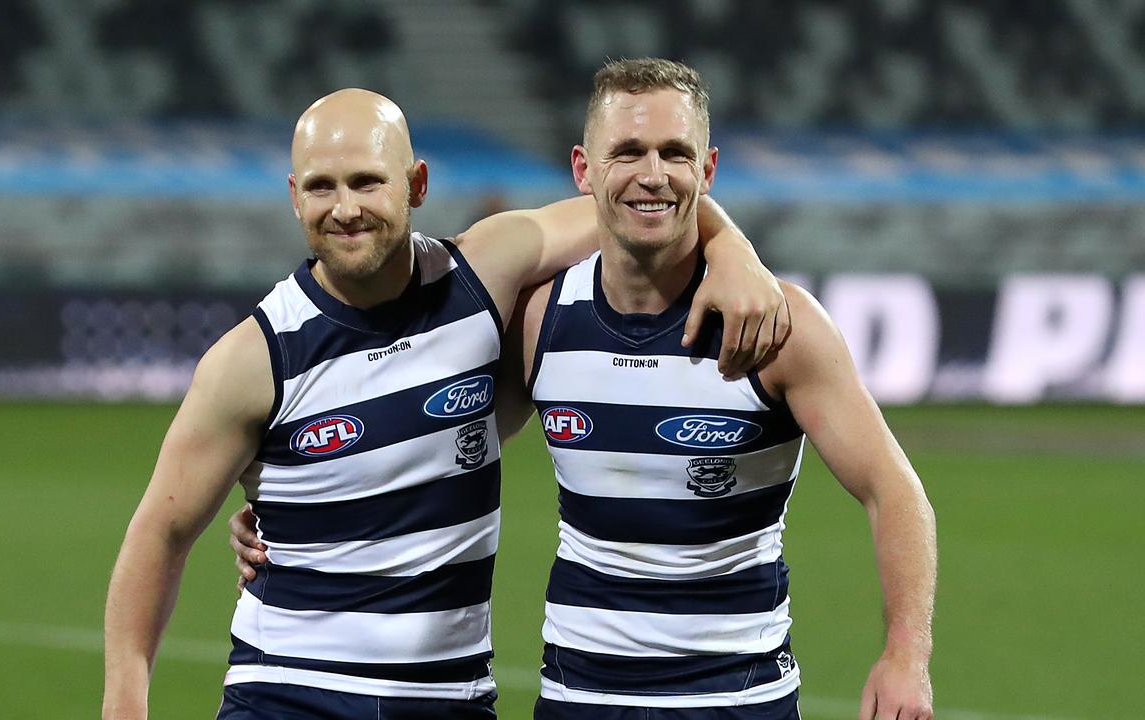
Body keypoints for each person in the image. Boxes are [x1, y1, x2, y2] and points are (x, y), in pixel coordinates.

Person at [229, 58, 938, 720]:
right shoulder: (541, 321)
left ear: (709, 169)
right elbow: (441, 445)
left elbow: (893, 489)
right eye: (628, 153)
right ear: (584, 170)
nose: (652, 174)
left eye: (675, 153)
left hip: (737, 700)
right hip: (577, 699)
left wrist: (907, 652)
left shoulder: (776, 326)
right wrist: (301, 510)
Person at [102, 86, 787, 720]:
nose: (346, 208)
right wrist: (124, 704)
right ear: (293, 196)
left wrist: (733, 250)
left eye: (368, 181)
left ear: (416, 184)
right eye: (321, 187)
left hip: (450, 699)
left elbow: (639, 197)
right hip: (289, 693)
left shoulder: (483, 275)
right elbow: (159, 533)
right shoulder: (252, 359)